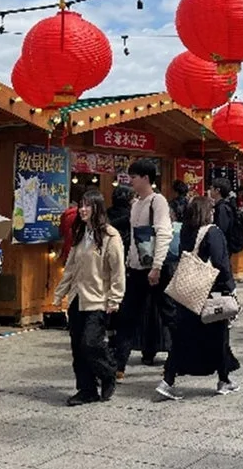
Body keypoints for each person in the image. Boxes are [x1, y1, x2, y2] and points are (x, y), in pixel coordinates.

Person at [155, 195, 241, 400]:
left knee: (183, 338)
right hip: (210, 292)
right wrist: (231, 289)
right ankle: (223, 380)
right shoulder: (213, 232)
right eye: (211, 210)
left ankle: (168, 380)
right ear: (207, 212)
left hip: (188, 293)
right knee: (219, 337)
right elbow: (221, 263)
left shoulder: (186, 231)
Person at [55, 190, 125, 406]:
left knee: (90, 342)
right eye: (81, 205)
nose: (83, 210)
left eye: (88, 206)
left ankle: (108, 372)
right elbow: (70, 267)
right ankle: (86, 389)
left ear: (98, 208)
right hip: (78, 298)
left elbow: (117, 270)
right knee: (77, 346)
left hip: (98, 299)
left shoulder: (110, 236)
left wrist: (115, 298)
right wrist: (60, 294)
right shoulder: (79, 234)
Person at [116, 160, 173, 373]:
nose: (130, 181)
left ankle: (179, 356)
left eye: (134, 177)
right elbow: (133, 240)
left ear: (146, 178)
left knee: (168, 314)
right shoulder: (136, 204)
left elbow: (164, 233)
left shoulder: (157, 201)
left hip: (156, 269)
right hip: (137, 269)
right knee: (127, 315)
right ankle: (118, 364)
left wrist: (157, 266)